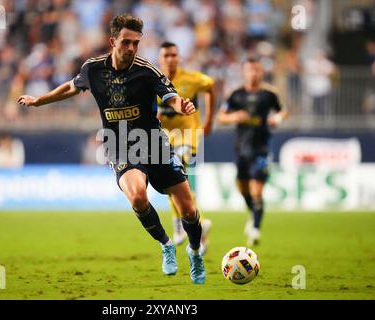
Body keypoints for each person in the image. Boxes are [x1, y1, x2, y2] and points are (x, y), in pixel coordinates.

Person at [18, 14, 206, 284]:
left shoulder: (147, 70)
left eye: (136, 43)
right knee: (138, 197)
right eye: (126, 42)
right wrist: (39, 101)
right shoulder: (93, 69)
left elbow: (171, 97)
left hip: (152, 141)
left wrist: (182, 105)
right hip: (120, 145)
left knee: (188, 210)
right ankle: (166, 245)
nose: (131, 48)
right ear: (112, 41)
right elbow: (70, 87)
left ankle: (195, 252)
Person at [216, 58, 288, 246]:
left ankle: (255, 228)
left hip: (261, 148)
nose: (253, 74)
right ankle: (253, 216)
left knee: (257, 190)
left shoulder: (269, 94)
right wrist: (234, 117)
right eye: (250, 70)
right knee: (243, 189)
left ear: (261, 72)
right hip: (241, 148)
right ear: (244, 72)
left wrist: (277, 119)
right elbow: (221, 117)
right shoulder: (236, 95)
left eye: (256, 70)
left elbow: (283, 110)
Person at [157, 41, 214, 254]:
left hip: (188, 135)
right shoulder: (154, 81)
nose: (170, 59)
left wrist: (208, 120)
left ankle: (180, 225)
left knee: (176, 171)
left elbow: (210, 86)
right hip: (165, 138)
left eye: (174, 55)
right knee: (172, 183)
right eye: (166, 56)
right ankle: (199, 222)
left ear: (179, 57)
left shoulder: (192, 79)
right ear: (161, 59)